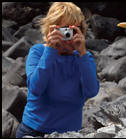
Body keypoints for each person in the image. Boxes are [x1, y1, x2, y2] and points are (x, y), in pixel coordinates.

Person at [16, 2, 99, 138]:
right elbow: (36, 88)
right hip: (33, 131)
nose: (68, 34)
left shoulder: (84, 57)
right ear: (51, 29)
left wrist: (82, 53)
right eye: (64, 29)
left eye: (74, 29)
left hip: (69, 133)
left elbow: (91, 91)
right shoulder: (38, 52)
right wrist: (50, 50)